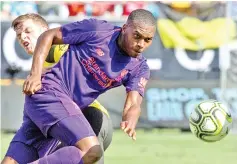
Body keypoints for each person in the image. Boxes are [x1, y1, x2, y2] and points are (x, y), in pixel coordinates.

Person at [6, 9, 156, 164]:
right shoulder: (98, 30)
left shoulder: (140, 68)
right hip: (51, 96)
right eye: (137, 36)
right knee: (91, 152)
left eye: (148, 40)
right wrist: (35, 74)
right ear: (124, 28)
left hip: (53, 110)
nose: (141, 44)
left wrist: (130, 118)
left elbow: (133, 103)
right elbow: (48, 36)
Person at [2, 14, 112, 164]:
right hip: (71, 122)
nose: (23, 37)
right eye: (19, 35)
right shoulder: (39, 65)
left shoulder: (58, 49)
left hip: (90, 117)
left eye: (28, 31)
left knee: (85, 154)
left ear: (45, 30)